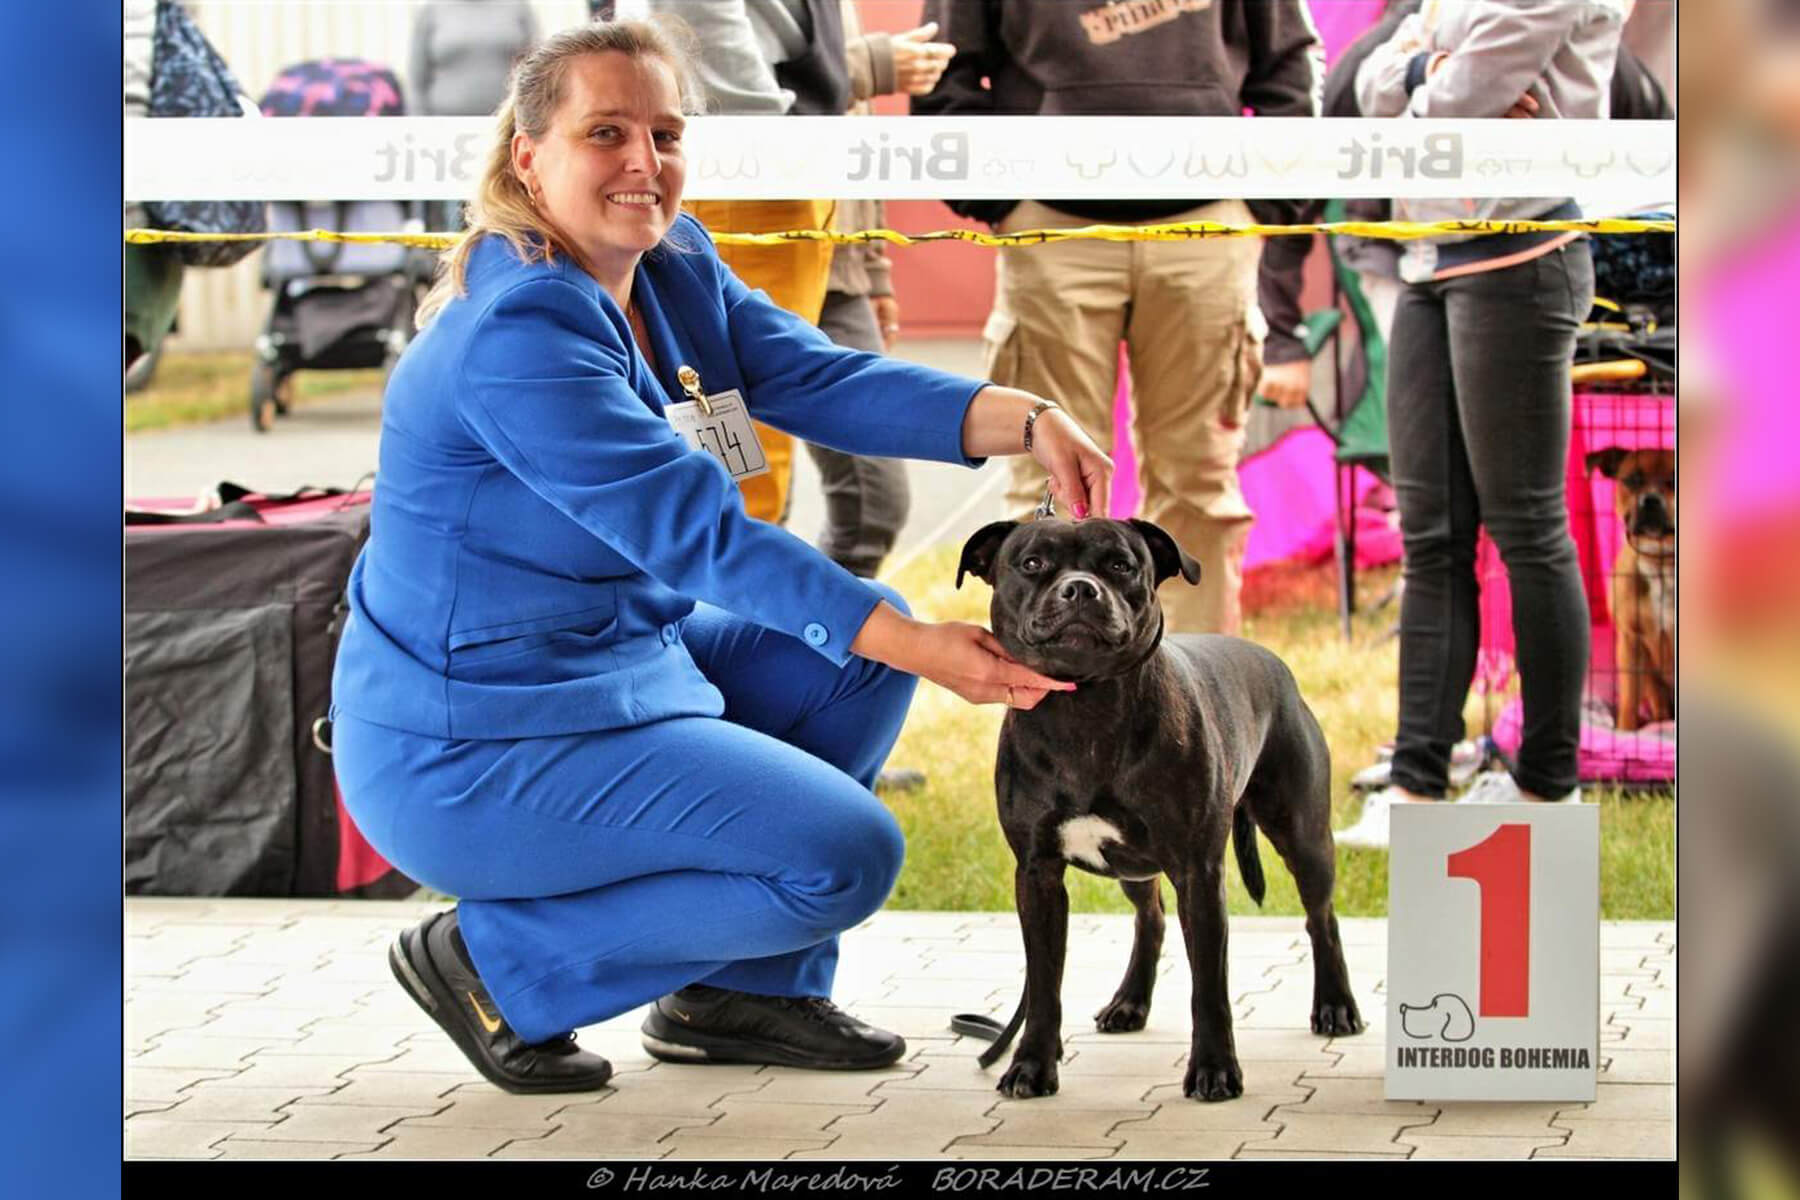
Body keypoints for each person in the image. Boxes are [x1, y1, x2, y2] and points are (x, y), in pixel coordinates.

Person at [328, 18, 1111, 1093]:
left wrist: (1021, 416)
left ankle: (741, 995)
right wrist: (934, 646)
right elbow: (698, 538)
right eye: (606, 132)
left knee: (857, 649)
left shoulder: (670, 263)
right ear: (528, 154)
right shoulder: (520, 332)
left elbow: (820, 378)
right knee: (848, 852)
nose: (644, 163)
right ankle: (496, 965)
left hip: (613, 655)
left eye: (665, 131)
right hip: (472, 737)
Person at [913, 0, 1322, 637]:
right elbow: (942, 68)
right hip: (1051, 223)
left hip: (1207, 220)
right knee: (1050, 487)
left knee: (1201, 488)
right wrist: (998, 195)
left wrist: (1264, 197)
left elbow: (1291, 62)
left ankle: (1198, 703)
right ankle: (1046, 703)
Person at [1334, 0, 1624, 849]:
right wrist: (1426, 66)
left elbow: (1464, 90)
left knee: (1527, 527)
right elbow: (1373, 85)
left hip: (1522, 252)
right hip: (1424, 255)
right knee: (1431, 533)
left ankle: (1547, 785)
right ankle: (1416, 787)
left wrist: (1431, 69)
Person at [619, 0, 849, 528]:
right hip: (750, 158)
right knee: (736, 460)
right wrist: (769, 127)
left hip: (766, 154)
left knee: (753, 437)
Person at [806, 11, 954, 579]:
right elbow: (720, 86)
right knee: (742, 495)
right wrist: (873, 64)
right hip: (740, 263)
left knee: (874, 504)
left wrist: (872, 263)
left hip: (840, 275)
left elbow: (853, 138)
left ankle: (811, 649)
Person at [408, 0, 540, 233]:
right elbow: (417, 79)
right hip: (444, 137)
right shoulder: (432, 10)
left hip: (506, 132)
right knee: (450, 219)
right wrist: (420, 130)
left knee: (503, 207)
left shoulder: (518, 7)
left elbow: (537, 65)